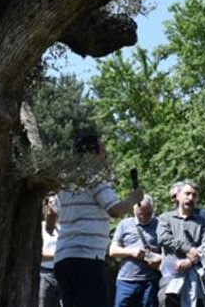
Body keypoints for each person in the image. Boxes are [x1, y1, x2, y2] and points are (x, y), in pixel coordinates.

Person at [53, 130, 145, 307]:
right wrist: (134, 198)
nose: (105, 158)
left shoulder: (65, 183)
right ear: (93, 153)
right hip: (87, 258)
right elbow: (115, 210)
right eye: (103, 152)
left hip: (63, 258)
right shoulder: (94, 178)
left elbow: (57, 211)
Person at [157, 180, 205, 307]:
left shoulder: (202, 222)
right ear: (177, 196)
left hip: (196, 276)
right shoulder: (165, 218)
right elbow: (163, 238)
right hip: (171, 275)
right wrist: (188, 249)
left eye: (194, 195)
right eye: (187, 194)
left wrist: (190, 261)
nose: (191, 198)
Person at [109, 194, 163, 307]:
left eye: (148, 213)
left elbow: (168, 253)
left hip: (150, 281)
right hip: (125, 281)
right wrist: (131, 252)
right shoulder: (124, 224)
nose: (144, 217)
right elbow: (112, 251)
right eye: (141, 214)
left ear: (153, 209)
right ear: (134, 210)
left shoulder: (160, 225)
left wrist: (157, 257)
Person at [40, 195, 61, 307]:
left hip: (61, 272)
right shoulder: (39, 228)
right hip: (44, 274)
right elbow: (39, 254)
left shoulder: (62, 229)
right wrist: (58, 255)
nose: (51, 213)